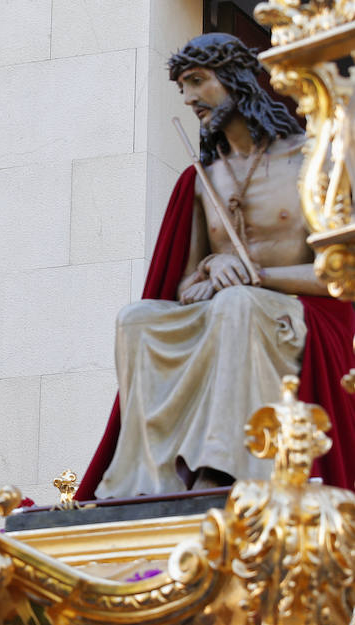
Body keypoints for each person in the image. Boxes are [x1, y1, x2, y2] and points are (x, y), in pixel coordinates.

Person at [76, 33, 355, 500]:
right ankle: (145, 477)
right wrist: (208, 273)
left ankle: (223, 465)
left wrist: (255, 278)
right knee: (137, 319)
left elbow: (341, 276)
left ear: (236, 79)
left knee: (239, 305)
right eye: (182, 87)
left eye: (197, 82)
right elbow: (185, 283)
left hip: (305, 316)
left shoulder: (313, 161)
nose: (188, 99)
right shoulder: (203, 178)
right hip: (234, 313)